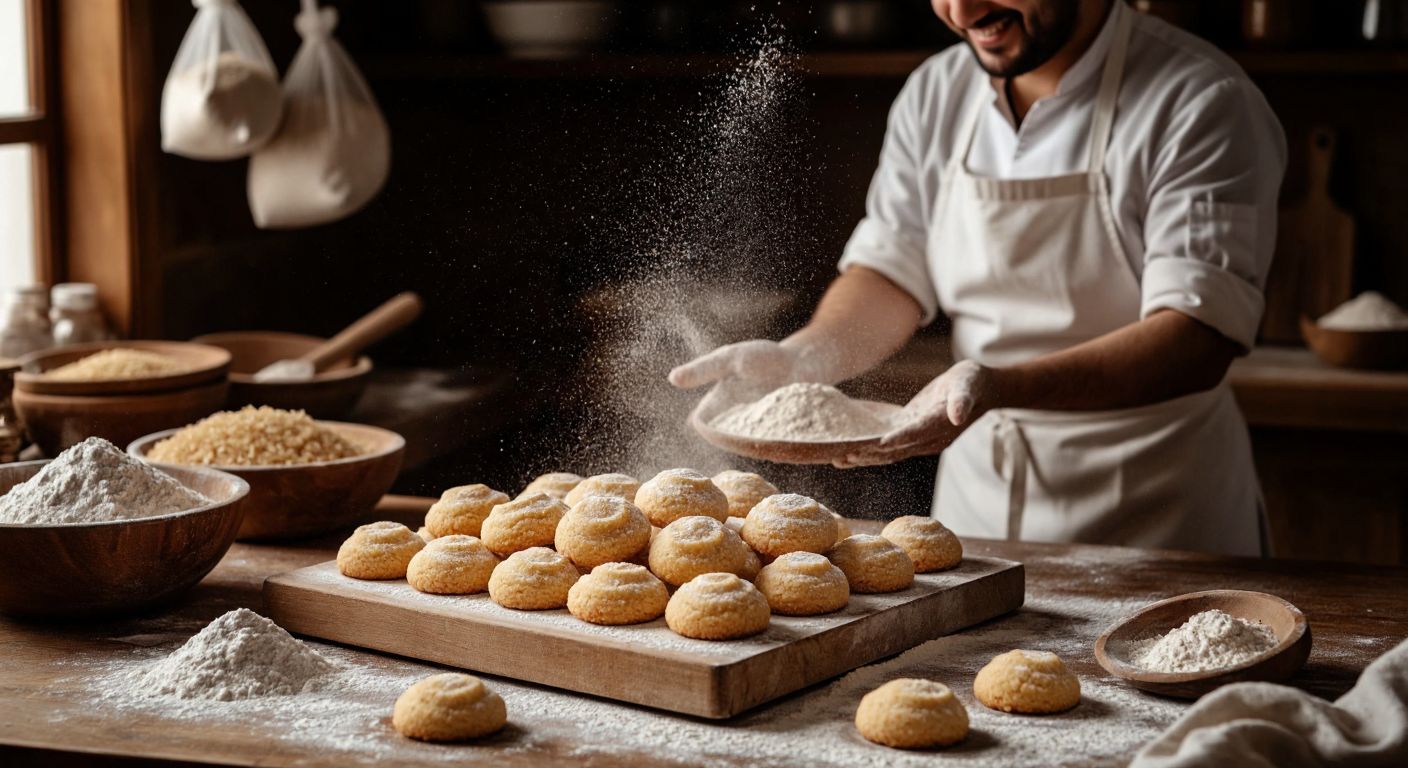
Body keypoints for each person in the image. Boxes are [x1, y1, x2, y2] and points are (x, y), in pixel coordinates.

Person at [669, 0, 1286, 556]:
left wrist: (996, 386)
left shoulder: (1200, 99)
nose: (962, 11)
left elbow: (1197, 337)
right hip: (977, 503)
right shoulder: (935, 93)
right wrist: (801, 360)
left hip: (1156, 512)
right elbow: (890, 273)